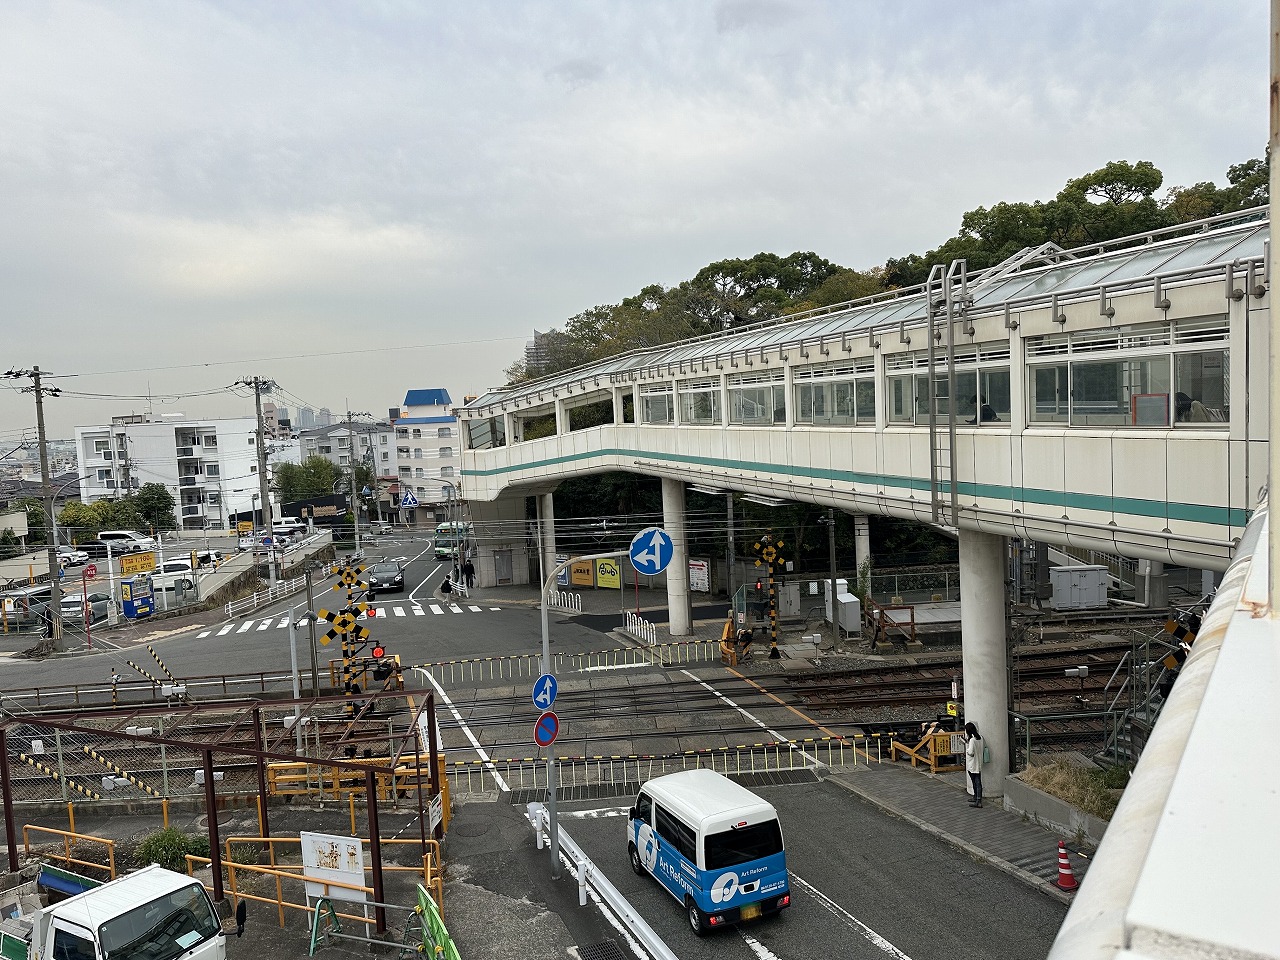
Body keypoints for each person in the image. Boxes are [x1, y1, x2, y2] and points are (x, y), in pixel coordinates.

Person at [964, 721, 984, 807]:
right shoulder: (980, 738)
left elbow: (971, 752)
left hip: (972, 763)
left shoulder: (972, 740)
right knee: (978, 781)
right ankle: (977, 798)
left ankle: (978, 799)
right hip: (979, 762)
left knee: (975, 781)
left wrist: (967, 750)